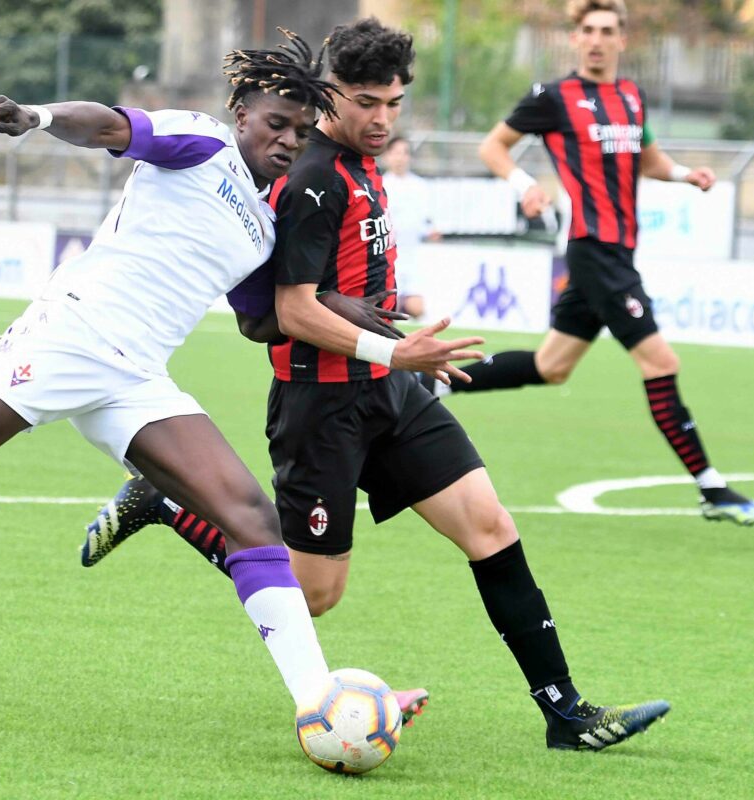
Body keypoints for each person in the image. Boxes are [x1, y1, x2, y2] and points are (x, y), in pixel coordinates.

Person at [0, 33, 411, 721]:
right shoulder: (204, 142)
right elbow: (110, 126)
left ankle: (320, 702)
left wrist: (337, 307)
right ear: (242, 112)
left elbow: (259, 322)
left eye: (302, 133)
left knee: (250, 519)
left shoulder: (267, 226)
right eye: (278, 124)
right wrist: (36, 117)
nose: (288, 140)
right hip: (74, 335)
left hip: (138, 377)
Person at [80, 17, 671, 752]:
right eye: (367, 102)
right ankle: (169, 503)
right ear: (331, 95)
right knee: (317, 596)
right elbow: (291, 309)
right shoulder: (312, 180)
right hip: (319, 406)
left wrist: (400, 324)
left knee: (490, 528)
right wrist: (396, 353)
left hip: (391, 392)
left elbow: (342, 285)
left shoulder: (365, 164)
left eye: (394, 102)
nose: (383, 118)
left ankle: (567, 715)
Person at [469, 0, 754, 526]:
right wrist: (525, 187)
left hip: (619, 250)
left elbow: (647, 158)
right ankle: (712, 488)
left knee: (551, 366)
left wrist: (684, 175)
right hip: (593, 249)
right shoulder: (553, 96)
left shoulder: (632, 96)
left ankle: (434, 383)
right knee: (662, 363)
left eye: (607, 30)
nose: (596, 39)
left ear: (622, 40)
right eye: (587, 30)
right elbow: (493, 147)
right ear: (575, 38)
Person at [380, 135, 440, 319]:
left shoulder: (420, 186)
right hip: (386, 257)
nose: (400, 158)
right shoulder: (380, 185)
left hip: (413, 257)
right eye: (395, 153)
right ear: (387, 156)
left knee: (417, 309)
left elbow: (428, 220)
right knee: (389, 308)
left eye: (404, 153)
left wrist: (432, 232)